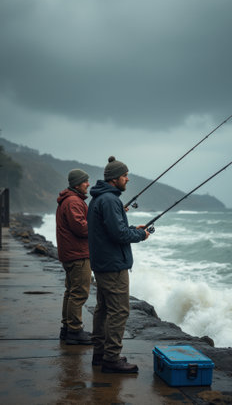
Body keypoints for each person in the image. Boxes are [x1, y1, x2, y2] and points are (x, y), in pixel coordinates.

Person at [88, 156, 150, 373]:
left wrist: (134, 228)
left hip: (102, 262)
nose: (128, 179)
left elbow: (112, 229)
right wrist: (140, 235)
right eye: (125, 175)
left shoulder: (99, 199)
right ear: (115, 179)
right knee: (119, 311)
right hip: (113, 265)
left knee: (103, 309)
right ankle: (111, 358)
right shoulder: (110, 200)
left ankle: (100, 354)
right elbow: (118, 234)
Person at [56, 169, 92, 345]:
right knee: (79, 293)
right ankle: (75, 331)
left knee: (70, 293)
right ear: (77, 183)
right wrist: (99, 223)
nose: (88, 184)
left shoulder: (70, 200)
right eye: (85, 181)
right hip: (78, 254)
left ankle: (67, 328)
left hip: (70, 253)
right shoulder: (73, 201)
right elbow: (82, 228)